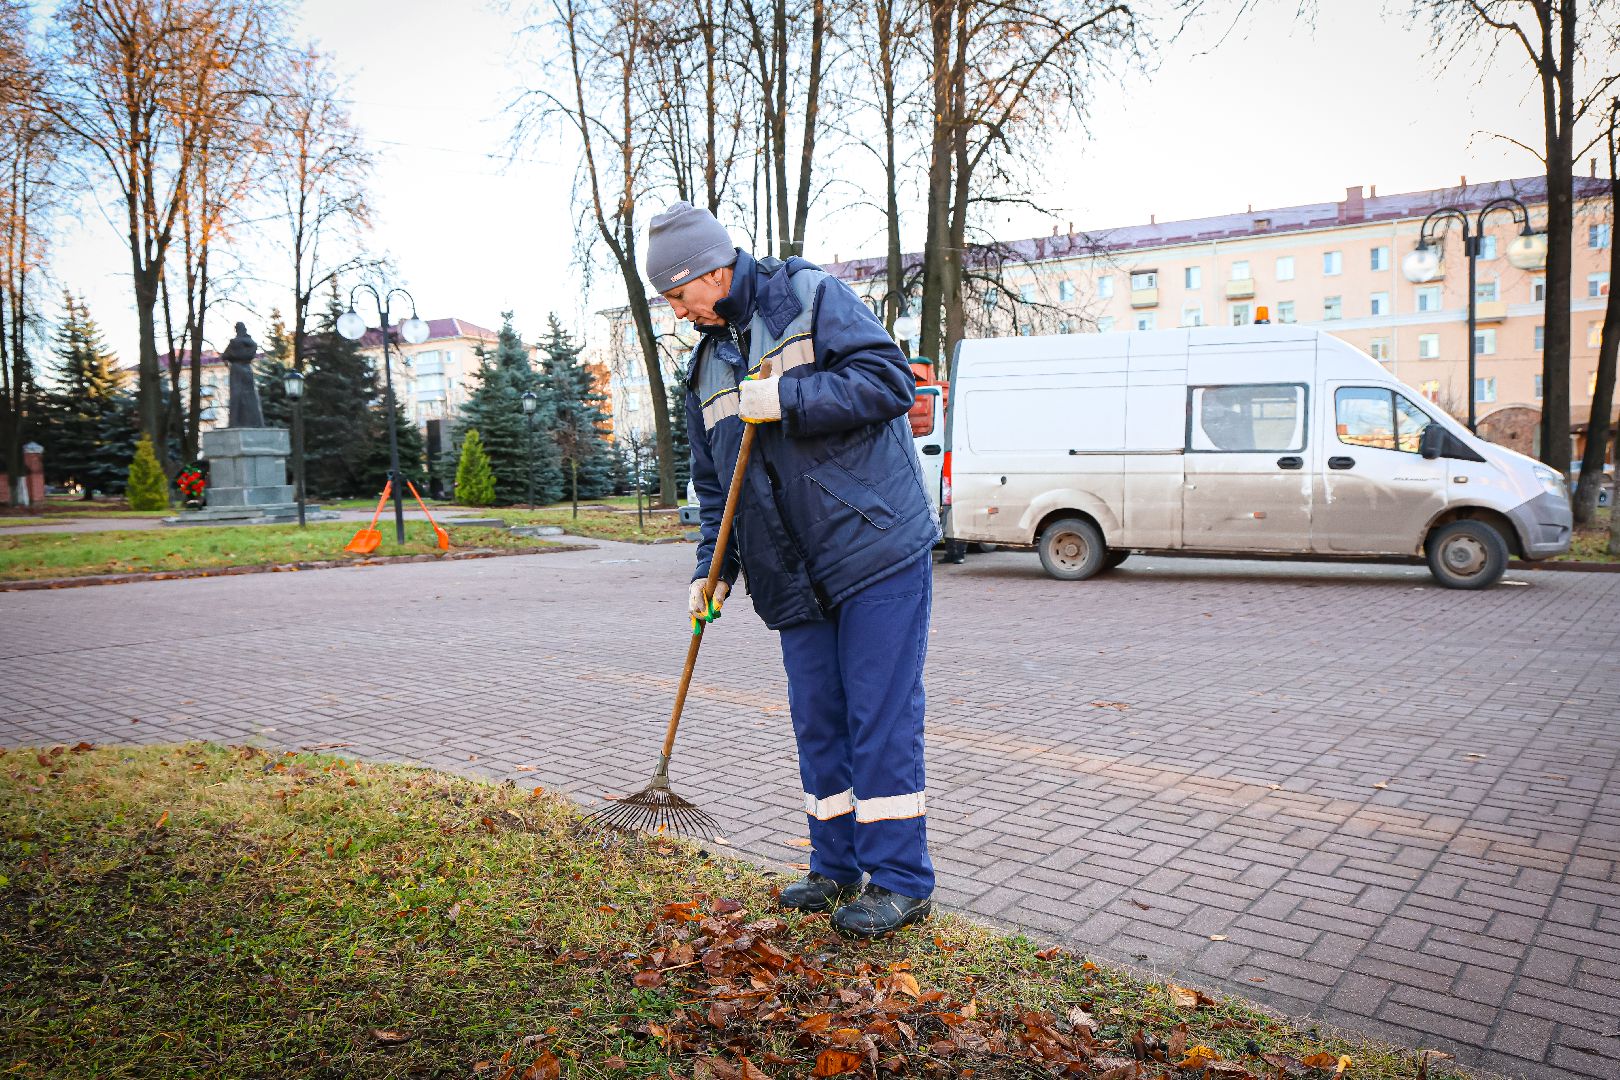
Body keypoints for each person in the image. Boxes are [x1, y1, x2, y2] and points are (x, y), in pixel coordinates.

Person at [646, 201, 940, 939]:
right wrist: (712, 570)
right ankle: (834, 865)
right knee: (818, 720)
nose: (679, 313)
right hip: (790, 572)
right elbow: (718, 486)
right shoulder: (706, 366)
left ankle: (901, 879)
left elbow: (888, 382)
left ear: (710, 271)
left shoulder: (807, 296)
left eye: (680, 296)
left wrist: (787, 398)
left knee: (878, 714)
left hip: (873, 547)